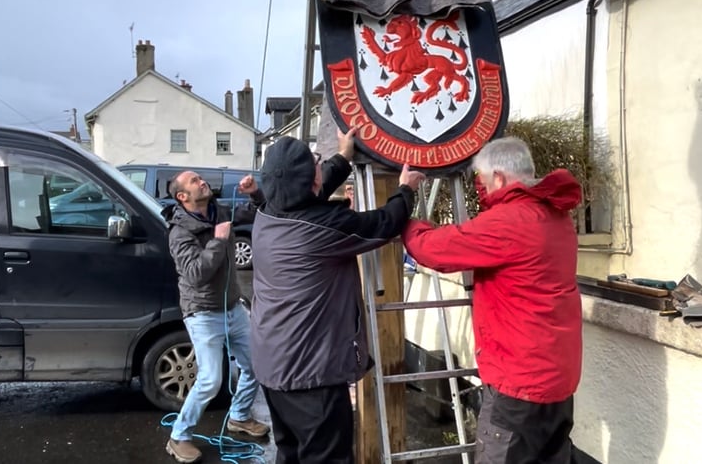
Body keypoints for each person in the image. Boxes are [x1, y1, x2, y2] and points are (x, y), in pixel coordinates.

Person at [401, 136, 583, 464]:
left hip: (518, 386)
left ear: (498, 177)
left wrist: (404, 209)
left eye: (483, 180)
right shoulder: (556, 216)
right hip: (558, 381)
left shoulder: (509, 222)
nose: (481, 188)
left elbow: (433, 249)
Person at [250, 127, 425, 464]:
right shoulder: (323, 227)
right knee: (327, 457)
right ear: (311, 182)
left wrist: (343, 158)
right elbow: (384, 223)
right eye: (317, 162)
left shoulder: (266, 213)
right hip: (310, 374)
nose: (320, 166)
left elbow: (310, 190)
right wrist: (405, 189)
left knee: (291, 453)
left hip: (272, 365)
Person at [162, 171, 270, 464]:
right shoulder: (179, 232)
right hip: (202, 313)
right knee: (210, 380)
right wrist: (219, 242)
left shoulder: (218, 211)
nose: (202, 182)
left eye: (200, 178)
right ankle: (178, 436)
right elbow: (196, 274)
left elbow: (259, 212)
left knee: (256, 365)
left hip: (233, 308)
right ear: (183, 197)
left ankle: (239, 417)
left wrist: (254, 193)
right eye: (195, 181)